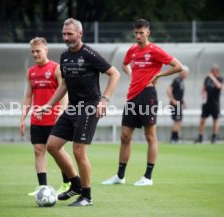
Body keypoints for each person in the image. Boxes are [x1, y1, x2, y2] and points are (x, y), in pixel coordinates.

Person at [38, 18, 120, 206]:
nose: (66, 37)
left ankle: (87, 196)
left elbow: (115, 74)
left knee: (78, 150)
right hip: (73, 107)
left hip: (89, 107)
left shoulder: (90, 54)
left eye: (70, 34)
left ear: (80, 34)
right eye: (64, 34)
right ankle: (75, 185)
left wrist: (104, 100)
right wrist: (48, 105)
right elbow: (64, 85)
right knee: (52, 146)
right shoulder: (65, 56)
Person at [102, 18, 182, 186]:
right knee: (125, 136)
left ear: (148, 33)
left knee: (150, 136)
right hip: (132, 96)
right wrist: (132, 75)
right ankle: (120, 176)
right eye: (136, 33)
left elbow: (177, 66)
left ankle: (148, 177)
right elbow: (124, 65)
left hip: (148, 95)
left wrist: (158, 75)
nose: (138, 36)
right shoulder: (131, 50)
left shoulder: (155, 50)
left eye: (141, 33)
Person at [19, 37, 70, 197]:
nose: (35, 54)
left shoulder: (56, 68)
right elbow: (28, 96)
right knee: (38, 150)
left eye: (38, 51)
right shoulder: (31, 72)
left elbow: (64, 92)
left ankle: (67, 183)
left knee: (58, 151)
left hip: (54, 119)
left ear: (46, 50)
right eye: (32, 51)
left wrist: (61, 112)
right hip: (37, 120)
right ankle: (42, 187)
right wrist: (23, 118)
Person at [194, 64, 223, 144]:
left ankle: (214, 137)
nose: (210, 72)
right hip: (206, 103)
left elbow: (219, 86)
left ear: (216, 71)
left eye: (212, 71)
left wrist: (213, 78)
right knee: (202, 119)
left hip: (215, 103)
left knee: (215, 120)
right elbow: (204, 88)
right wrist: (202, 93)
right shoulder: (207, 79)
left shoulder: (219, 78)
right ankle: (200, 137)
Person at [167, 65, 189, 143]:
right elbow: (169, 89)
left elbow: (179, 94)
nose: (187, 74)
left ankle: (176, 138)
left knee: (179, 120)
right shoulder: (176, 80)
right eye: (186, 73)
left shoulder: (181, 82)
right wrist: (172, 100)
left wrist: (183, 102)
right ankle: (173, 138)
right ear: (182, 72)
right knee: (177, 120)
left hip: (179, 104)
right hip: (175, 105)